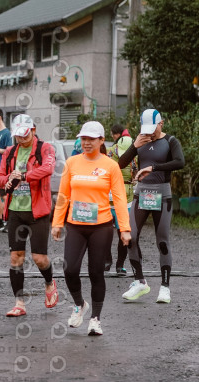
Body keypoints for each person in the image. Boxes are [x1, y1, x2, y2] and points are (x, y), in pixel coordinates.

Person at [51, 121, 131, 336]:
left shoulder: (111, 166)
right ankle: (79, 305)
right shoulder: (72, 163)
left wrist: (125, 228)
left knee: (96, 272)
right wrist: (57, 222)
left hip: (101, 226)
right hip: (75, 225)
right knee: (69, 270)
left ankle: (95, 319)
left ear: (101, 141)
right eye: (83, 139)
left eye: (91, 139)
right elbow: (63, 195)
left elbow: (120, 199)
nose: (85, 143)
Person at [118, 109, 185, 304]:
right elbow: (121, 163)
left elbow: (180, 162)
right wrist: (134, 145)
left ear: (161, 123)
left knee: (162, 241)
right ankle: (140, 282)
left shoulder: (170, 141)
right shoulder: (140, 140)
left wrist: (153, 168)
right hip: (142, 193)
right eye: (146, 129)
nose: (150, 133)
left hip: (162, 195)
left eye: (153, 128)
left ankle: (165, 288)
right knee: (130, 236)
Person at [0, 115, 57, 317]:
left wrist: (23, 176)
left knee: (39, 258)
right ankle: (19, 303)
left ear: (33, 129)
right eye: (18, 136)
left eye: (25, 135)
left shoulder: (44, 148)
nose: (22, 139)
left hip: (37, 211)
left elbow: (48, 169)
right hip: (15, 210)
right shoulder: (10, 152)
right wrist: (7, 180)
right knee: (16, 258)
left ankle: (49, 283)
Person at [106, 124, 136, 275]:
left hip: (120, 197)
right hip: (117, 195)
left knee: (115, 232)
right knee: (113, 232)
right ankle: (114, 263)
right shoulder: (112, 152)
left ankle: (115, 262)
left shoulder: (135, 154)